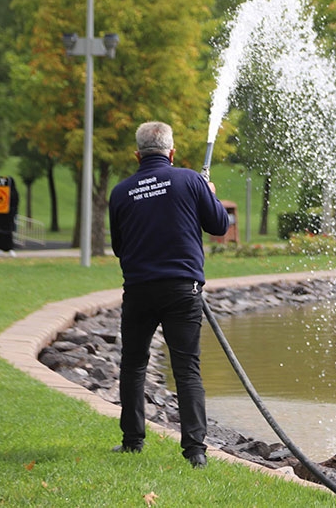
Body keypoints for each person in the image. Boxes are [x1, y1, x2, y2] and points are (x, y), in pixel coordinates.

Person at [108, 121, 229, 469]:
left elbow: (119, 247)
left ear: (137, 154)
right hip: (182, 290)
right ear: (171, 152)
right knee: (186, 368)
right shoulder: (190, 180)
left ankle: (132, 442)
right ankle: (195, 451)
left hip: (139, 290)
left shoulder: (121, 192)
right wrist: (210, 192)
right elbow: (220, 225)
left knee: (133, 364)